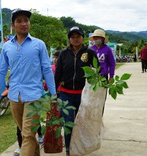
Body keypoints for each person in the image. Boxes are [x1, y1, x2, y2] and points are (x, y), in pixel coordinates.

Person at [0, 9, 56, 156]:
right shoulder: (7, 47)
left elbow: (47, 70)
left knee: (28, 135)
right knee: (28, 136)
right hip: (14, 96)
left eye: (26, 20)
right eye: (19, 21)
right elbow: (1, 71)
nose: (23, 24)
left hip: (34, 96)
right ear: (13, 25)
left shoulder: (39, 44)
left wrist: (53, 94)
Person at [55, 26, 98, 156]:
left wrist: (99, 84)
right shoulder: (63, 54)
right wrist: (53, 92)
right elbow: (58, 74)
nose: (75, 39)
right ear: (69, 39)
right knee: (68, 123)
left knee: (82, 123)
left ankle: (80, 147)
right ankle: (69, 149)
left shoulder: (89, 53)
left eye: (78, 36)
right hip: (65, 94)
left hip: (83, 94)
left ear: (82, 38)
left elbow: (98, 69)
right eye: (72, 37)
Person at [89, 29, 116, 116]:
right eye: (95, 37)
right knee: (91, 98)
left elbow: (112, 64)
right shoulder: (90, 50)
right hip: (92, 78)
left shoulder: (107, 49)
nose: (96, 39)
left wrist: (111, 77)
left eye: (98, 37)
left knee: (101, 99)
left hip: (103, 77)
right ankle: (91, 117)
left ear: (103, 39)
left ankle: (99, 117)